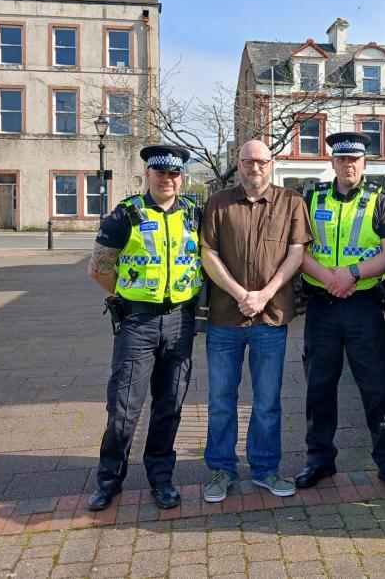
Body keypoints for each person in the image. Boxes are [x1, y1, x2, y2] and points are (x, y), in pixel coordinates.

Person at [86, 145, 202, 511]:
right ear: (148, 175)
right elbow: (99, 269)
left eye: (174, 174)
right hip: (138, 322)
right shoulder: (127, 214)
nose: (167, 179)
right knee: (124, 406)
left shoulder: (195, 215)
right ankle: (109, 479)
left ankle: (161, 478)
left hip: (181, 321)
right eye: (160, 173)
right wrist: (128, 296)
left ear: (181, 177)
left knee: (169, 404)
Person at [199, 139, 313, 503]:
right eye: (248, 162)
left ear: (272, 163)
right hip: (224, 318)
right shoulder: (218, 203)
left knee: (267, 401)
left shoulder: (292, 202)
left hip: (271, 318)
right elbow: (208, 253)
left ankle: (265, 470)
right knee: (220, 400)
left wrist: (264, 295)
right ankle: (221, 470)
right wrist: (239, 294)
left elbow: (297, 252)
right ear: (238, 163)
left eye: (261, 162)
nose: (255, 168)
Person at [295, 132, 385, 493]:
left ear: (364, 163)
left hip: (363, 306)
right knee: (319, 387)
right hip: (323, 305)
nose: (348, 166)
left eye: (354, 160)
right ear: (332, 163)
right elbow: (298, 249)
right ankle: (320, 460)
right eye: (341, 160)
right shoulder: (311, 197)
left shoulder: (381, 201)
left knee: (376, 388)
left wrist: (352, 275)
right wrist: (330, 278)